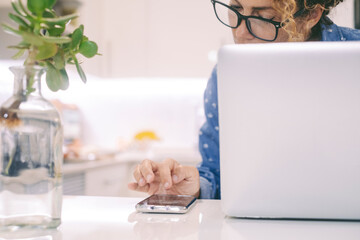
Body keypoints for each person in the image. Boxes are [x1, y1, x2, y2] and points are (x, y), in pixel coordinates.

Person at [128, 0, 360, 199]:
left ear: (310, 15)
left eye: (264, 17)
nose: (240, 33)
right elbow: (217, 172)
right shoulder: (228, 74)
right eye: (236, 9)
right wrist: (190, 184)